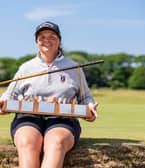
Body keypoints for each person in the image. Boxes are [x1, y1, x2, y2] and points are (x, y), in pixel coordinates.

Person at [0, 21, 98, 168]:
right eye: (42, 37)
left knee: (56, 142)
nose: (47, 40)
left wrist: (90, 108)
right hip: (28, 118)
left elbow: (85, 98)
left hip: (63, 120)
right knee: (28, 142)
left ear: (59, 40)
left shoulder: (74, 67)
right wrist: (2, 104)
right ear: (36, 42)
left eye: (52, 36)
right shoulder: (26, 67)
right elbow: (9, 96)